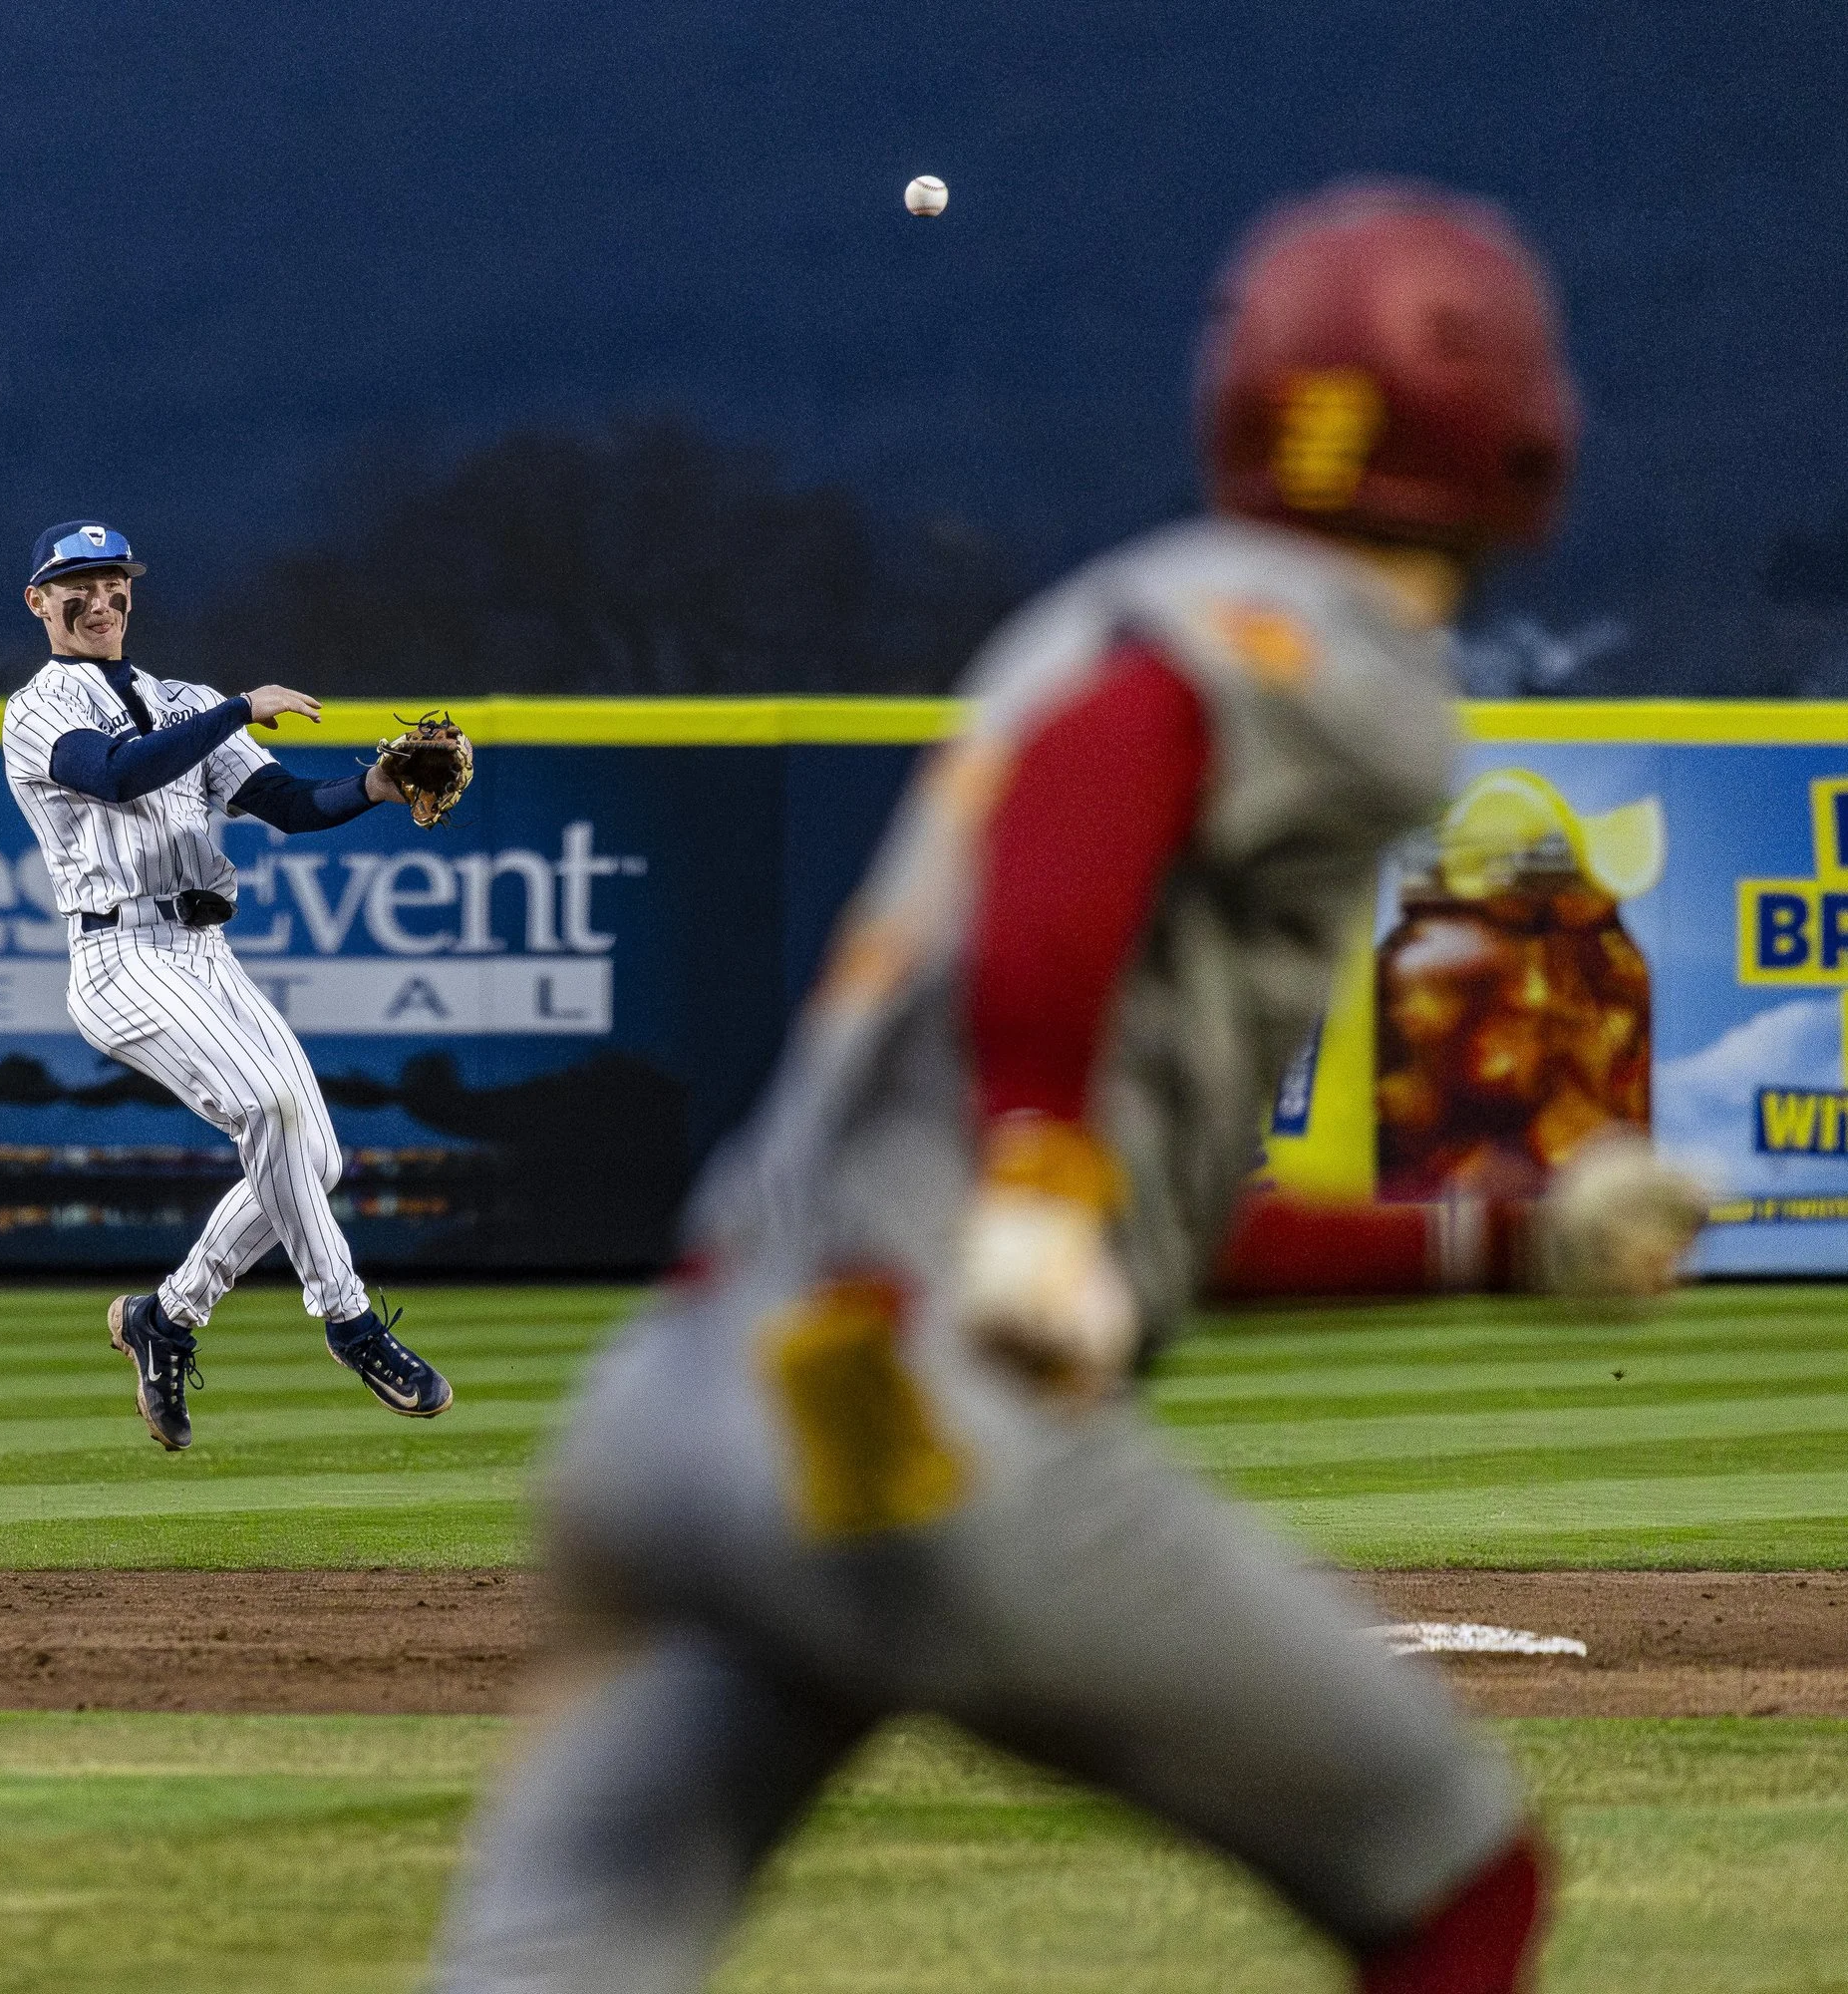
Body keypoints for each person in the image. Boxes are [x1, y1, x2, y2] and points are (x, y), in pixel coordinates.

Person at [428, 182, 1704, 1993]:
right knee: (1453, 1874)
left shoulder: (1113, 602)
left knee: (566, 1959)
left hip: (704, 1399)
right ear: (1512, 440)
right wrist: (1036, 1166)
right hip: (898, 1414)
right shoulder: (1329, 645)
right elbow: (1103, 785)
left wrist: (1511, 1247)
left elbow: (1149, 1235)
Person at [1, 518, 454, 1451]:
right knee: (271, 1114)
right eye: (73, 583)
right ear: (39, 601)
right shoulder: (39, 706)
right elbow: (118, 775)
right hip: (119, 958)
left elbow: (289, 806)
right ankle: (352, 1322)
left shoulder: (184, 699)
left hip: (207, 956)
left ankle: (166, 1318)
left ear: (132, 592)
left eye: (113, 580)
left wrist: (372, 783)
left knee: (310, 1162)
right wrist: (238, 708)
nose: (98, 598)